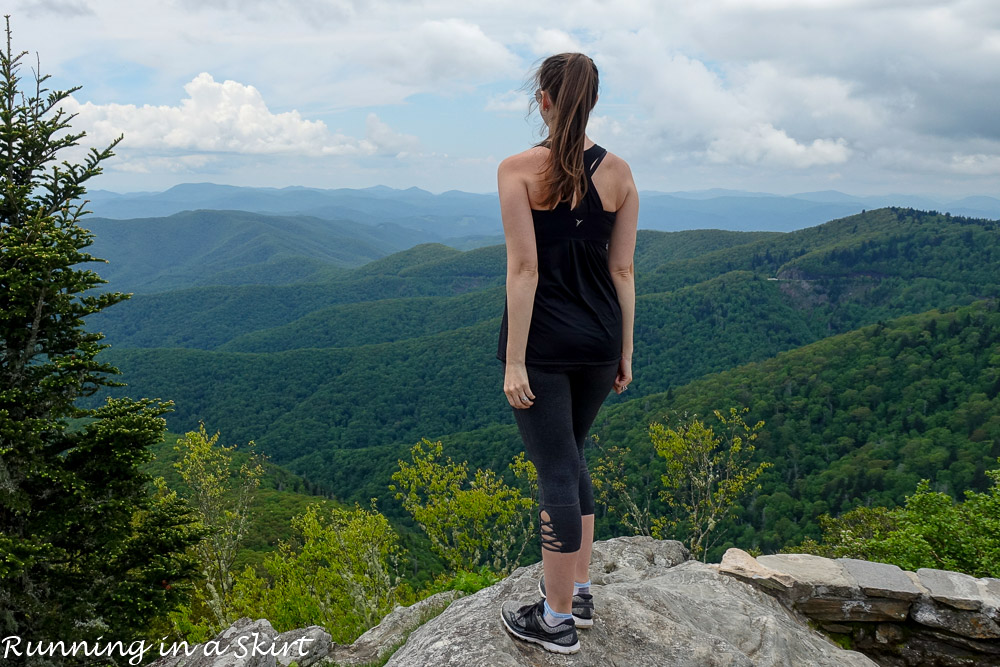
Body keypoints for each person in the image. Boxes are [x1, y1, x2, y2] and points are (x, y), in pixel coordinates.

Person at [496, 52, 638, 654]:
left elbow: (524, 269)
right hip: (600, 342)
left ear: (544, 100)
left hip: (546, 347)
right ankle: (578, 592)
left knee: (555, 468)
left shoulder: (518, 170)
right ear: (595, 101)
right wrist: (625, 352)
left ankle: (555, 623)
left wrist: (514, 361)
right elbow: (624, 270)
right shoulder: (620, 173)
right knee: (573, 457)